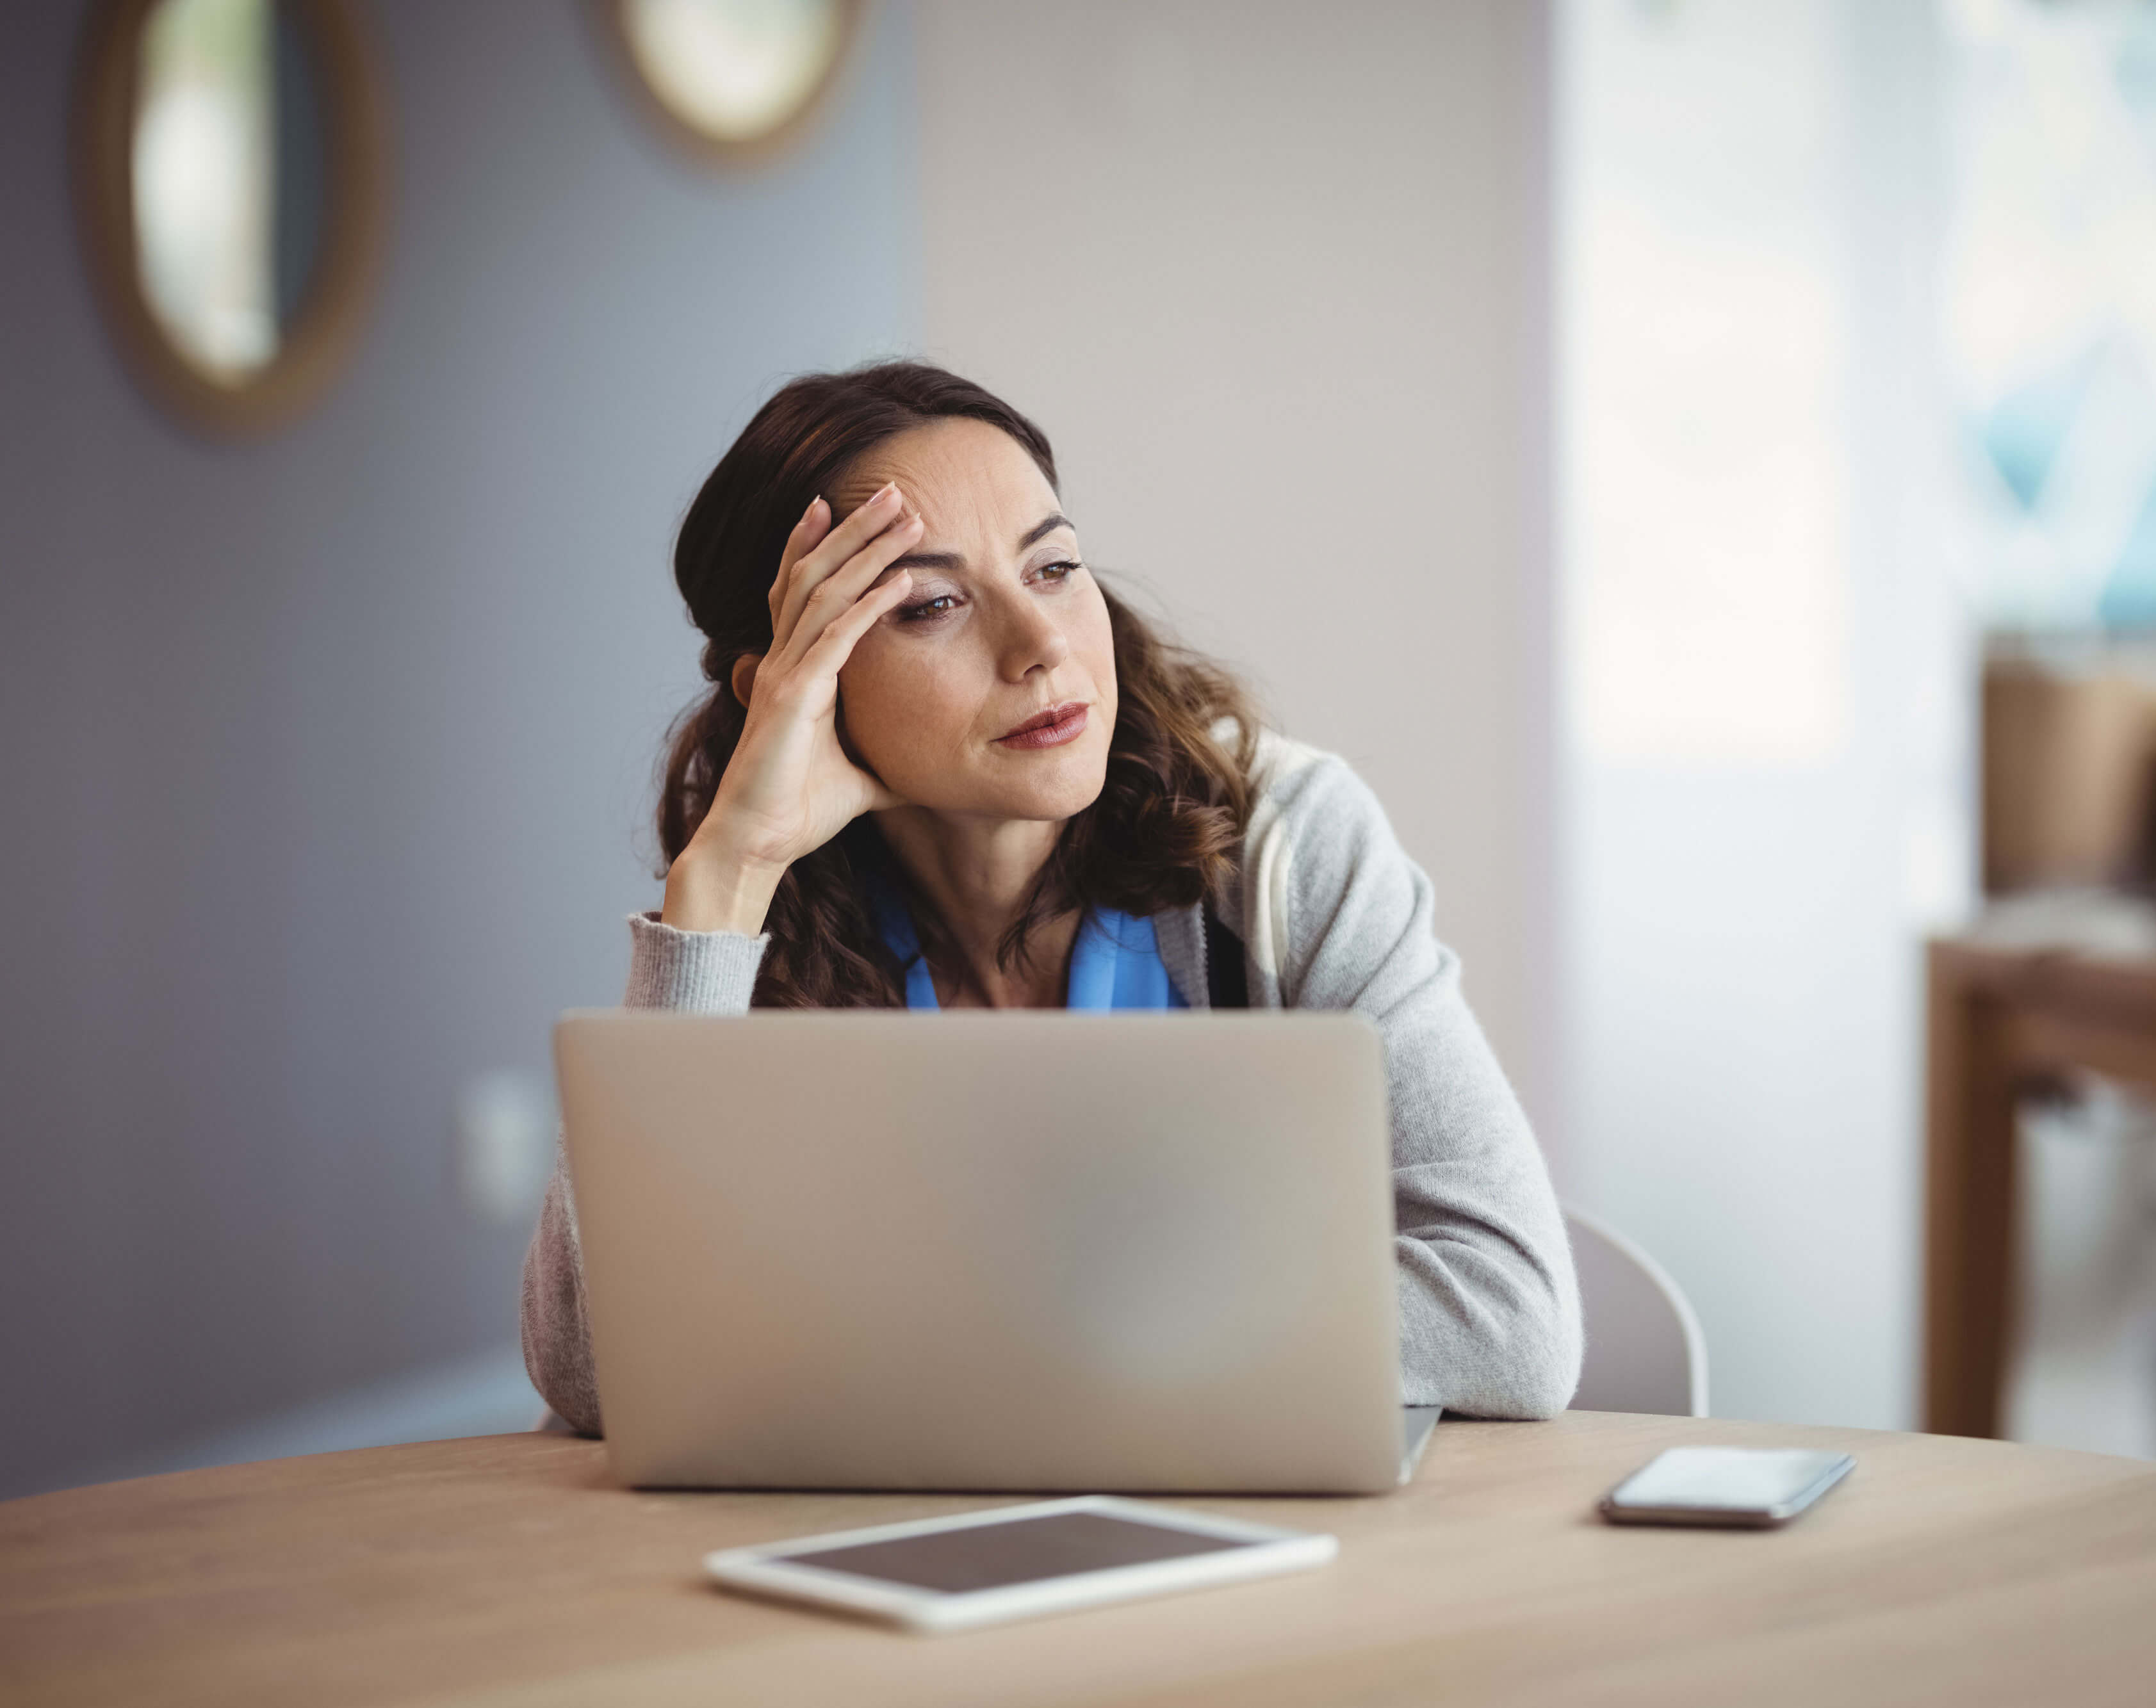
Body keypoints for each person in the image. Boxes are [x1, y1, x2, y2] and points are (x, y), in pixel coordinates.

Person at [521, 361, 1581, 1433]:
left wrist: (957, 1333)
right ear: (797, 679)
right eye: (932, 605)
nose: (1041, 648)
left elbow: (1512, 1321)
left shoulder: (1285, 840)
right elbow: (597, 1370)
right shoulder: (761, 911)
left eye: (1055, 567)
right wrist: (725, 876)